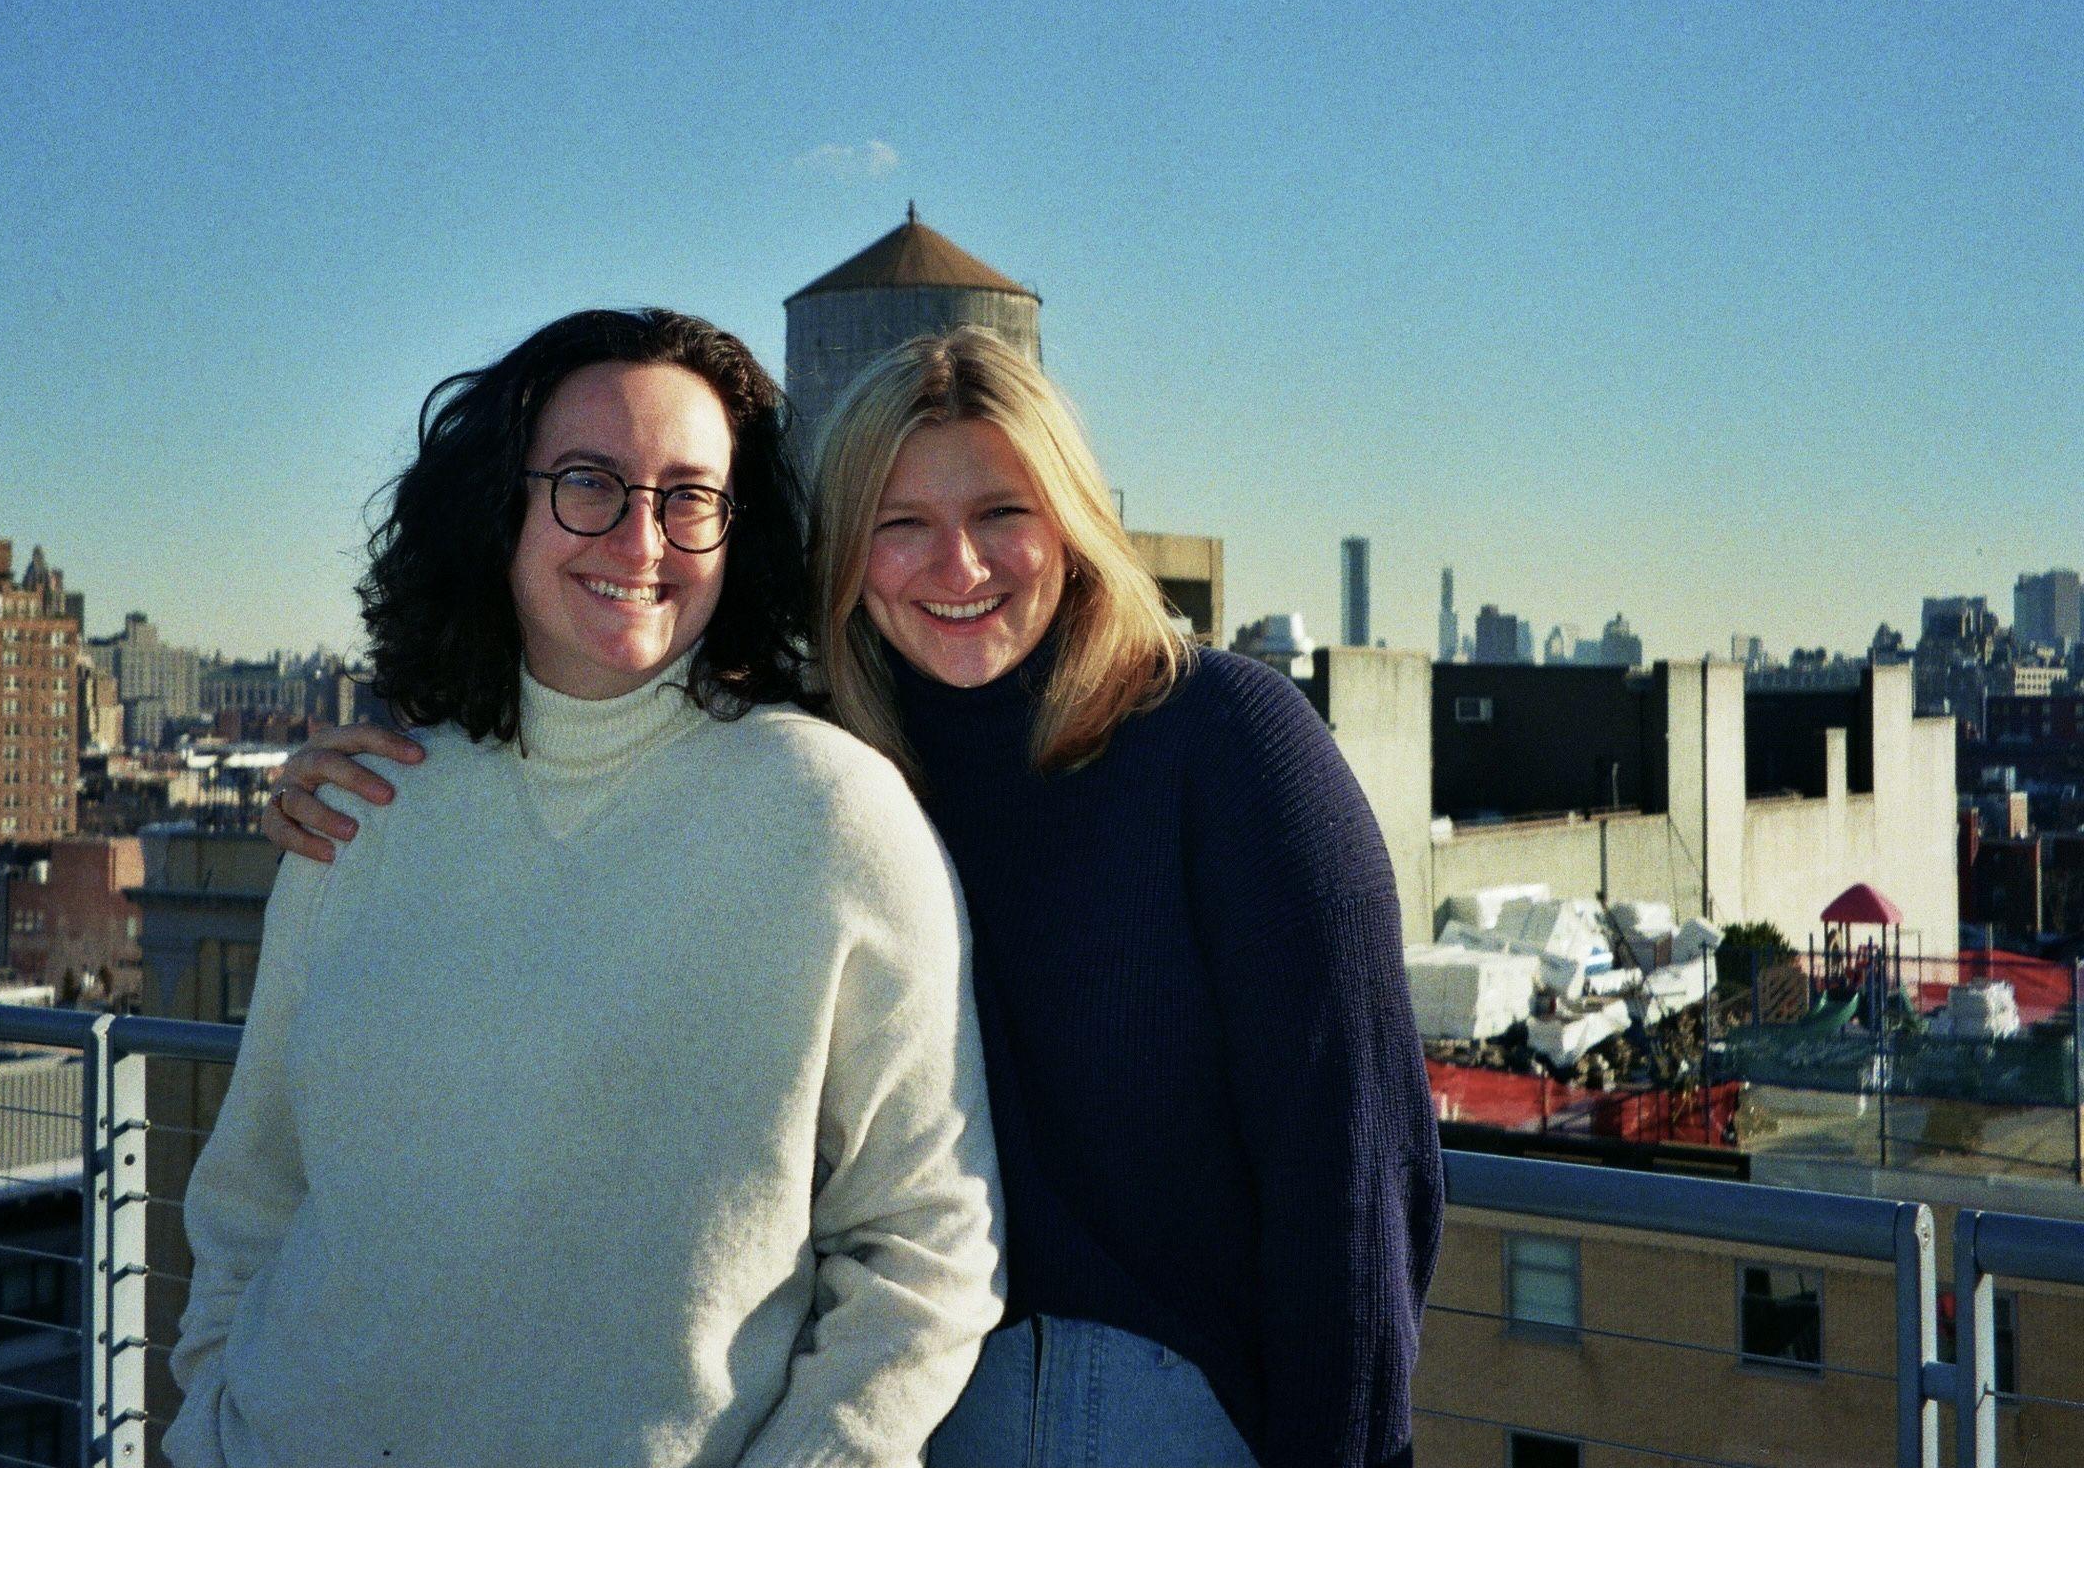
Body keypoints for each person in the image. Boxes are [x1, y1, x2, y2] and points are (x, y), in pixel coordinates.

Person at [270, 327, 1441, 1467]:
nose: (959, 567)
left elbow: (1356, 1170)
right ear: (841, 555)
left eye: (1000, 516)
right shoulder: (819, 766)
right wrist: (366, 783)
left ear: (1074, 527)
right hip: (873, 1408)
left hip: (1133, 1409)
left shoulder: (1227, 744)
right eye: (901, 527)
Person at [168, 307, 1002, 1467]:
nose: (640, 539)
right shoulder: (365, 810)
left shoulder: (830, 816)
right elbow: (250, 1195)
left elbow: (927, 1251)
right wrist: (214, 1434)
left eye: (688, 497)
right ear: (499, 505)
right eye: (589, 483)